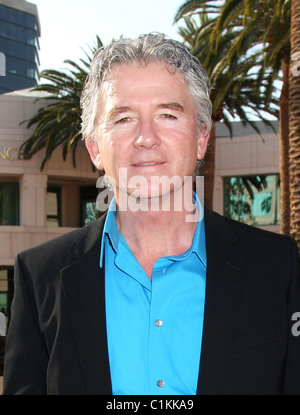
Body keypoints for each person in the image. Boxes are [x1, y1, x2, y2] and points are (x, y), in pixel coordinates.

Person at [3, 33, 300, 395]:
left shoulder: (277, 267)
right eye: (123, 118)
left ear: (201, 137)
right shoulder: (40, 276)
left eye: (168, 114)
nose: (146, 137)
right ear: (95, 148)